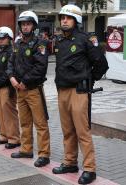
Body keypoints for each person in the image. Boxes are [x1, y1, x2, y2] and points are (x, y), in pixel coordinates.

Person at [52, 4, 109, 184]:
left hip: (79, 91)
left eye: (68, 18)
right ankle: (70, 162)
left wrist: (89, 79)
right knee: (67, 131)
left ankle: (90, 169)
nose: (64, 21)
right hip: (62, 91)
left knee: (82, 131)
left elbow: (101, 63)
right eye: (62, 18)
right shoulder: (60, 42)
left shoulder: (86, 39)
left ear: (76, 20)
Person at [7, 10, 51, 167]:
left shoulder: (40, 44)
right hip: (19, 89)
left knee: (40, 123)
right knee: (24, 122)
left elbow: (40, 67)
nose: (25, 27)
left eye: (28, 24)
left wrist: (24, 81)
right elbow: (10, 63)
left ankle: (44, 154)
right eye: (23, 24)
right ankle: (26, 149)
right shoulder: (17, 43)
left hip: (33, 90)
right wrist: (11, 78)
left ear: (33, 25)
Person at [0, 26, 20, 149]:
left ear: (9, 38)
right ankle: (4, 135)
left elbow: (9, 71)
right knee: (0, 112)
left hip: (6, 87)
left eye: (3, 38)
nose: (0, 40)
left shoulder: (12, 52)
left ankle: (14, 138)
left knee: (9, 113)